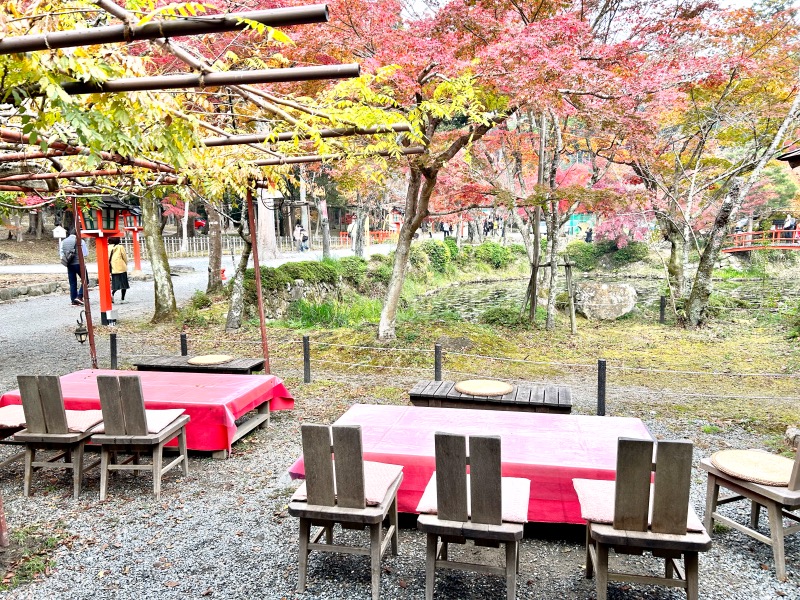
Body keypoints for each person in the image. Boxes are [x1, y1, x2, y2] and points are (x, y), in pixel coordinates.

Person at [60, 229, 87, 306]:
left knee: (72, 283)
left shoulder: (63, 242)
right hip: (79, 263)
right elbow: (85, 253)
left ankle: (73, 300)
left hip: (69, 264)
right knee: (85, 281)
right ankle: (79, 297)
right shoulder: (80, 241)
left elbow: (62, 254)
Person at [109, 237, 130, 303]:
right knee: (124, 284)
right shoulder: (120, 247)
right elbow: (124, 256)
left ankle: (112, 294)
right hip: (121, 267)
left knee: (115, 283)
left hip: (113, 267)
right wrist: (125, 263)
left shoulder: (108, 247)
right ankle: (122, 299)